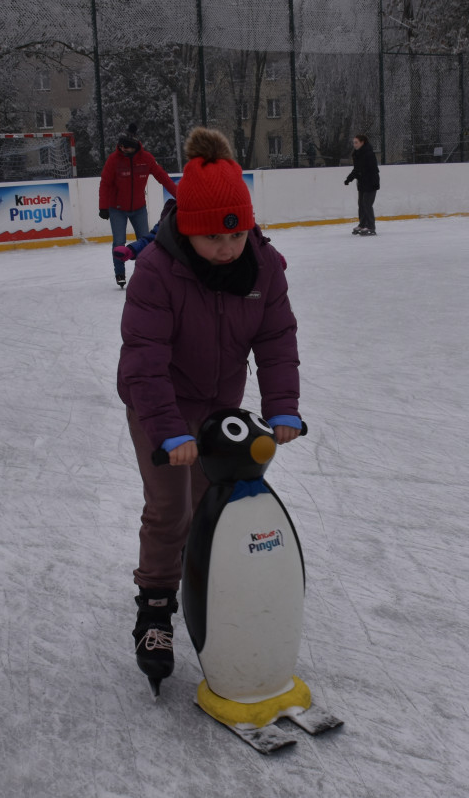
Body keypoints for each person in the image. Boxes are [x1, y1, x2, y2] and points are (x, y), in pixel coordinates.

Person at [117, 126, 303, 687]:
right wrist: (169, 431)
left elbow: (276, 340)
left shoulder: (264, 267)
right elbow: (143, 360)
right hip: (160, 404)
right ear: (188, 229)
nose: (226, 250)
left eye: (236, 235)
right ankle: (154, 607)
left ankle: (210, 592)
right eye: (213, 239)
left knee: (213, 506)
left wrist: (283, 405)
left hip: (221, 406)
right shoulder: (157, 272)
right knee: (171, 508)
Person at [98, 123, 178, 288]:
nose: (122, 150)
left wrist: (181, 196)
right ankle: (120, 273)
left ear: (134, 147)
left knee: (145, 242)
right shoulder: (114, 160)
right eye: (120, 147)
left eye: (126, 148)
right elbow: (105, 183)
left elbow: (163, 178)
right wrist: (103, 206)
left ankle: (145, 272)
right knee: (119, 242)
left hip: (139, 208)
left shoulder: (146, 159)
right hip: (117, 209)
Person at [344, 133, 380, 236]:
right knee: (361, 204)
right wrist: (349, 179)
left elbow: (372, 169)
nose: (354, 144)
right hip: (362, 182)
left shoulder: (369, 153)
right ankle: (362, 224)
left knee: (367, 204)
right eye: (353, 142)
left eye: (356, 142)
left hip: (371, 182)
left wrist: (362, 175)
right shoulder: (356, 154)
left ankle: (371, 227)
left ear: (362, 142)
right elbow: (356, 169)